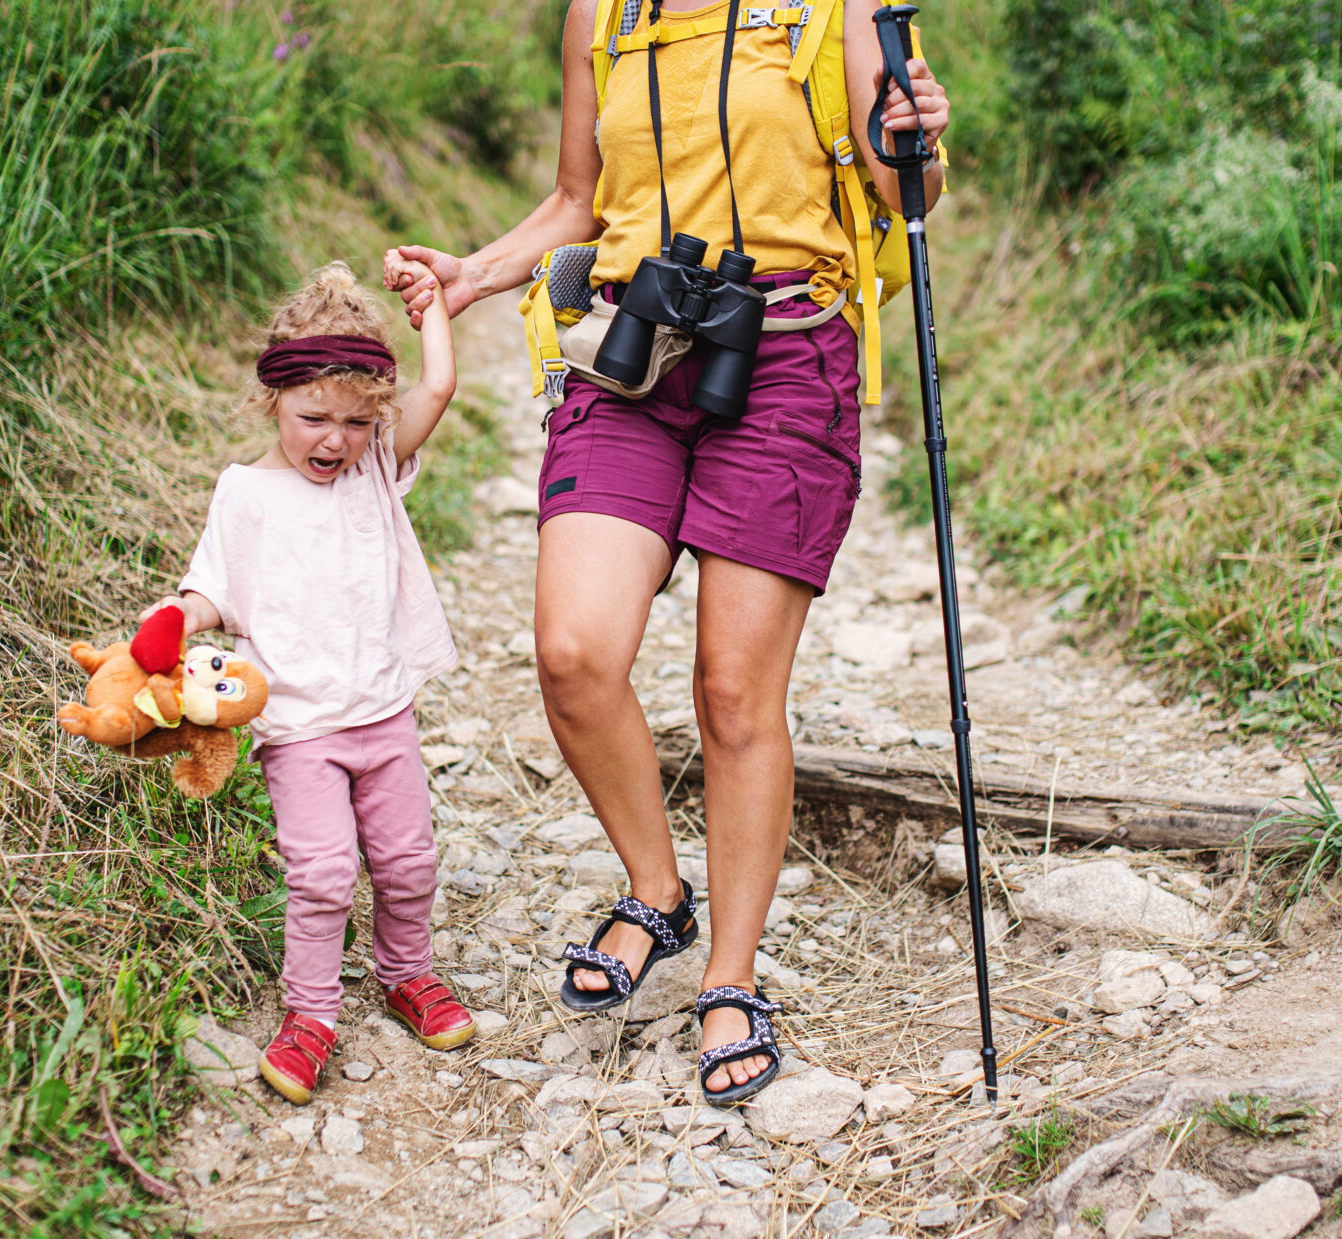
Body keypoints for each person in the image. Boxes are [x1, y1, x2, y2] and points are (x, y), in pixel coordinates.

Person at [388, 0, 950, 1104]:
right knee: (572, 653)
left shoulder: (838, 12)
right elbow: (576, 203)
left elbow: (910, 193)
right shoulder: (602, 14)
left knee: (734, 693)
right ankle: (657, 890)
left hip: (788, 357)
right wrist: (474, 272)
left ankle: (730, 980)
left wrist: (914, 134)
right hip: (632, 353)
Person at [141, 259, 472, 1106]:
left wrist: (432, 307)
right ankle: (311, 1012)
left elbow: (439, 384)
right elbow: (213, 586)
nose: (335, 440)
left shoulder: (374, 471)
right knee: (322, 873)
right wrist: (179, 616)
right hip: (298, 729)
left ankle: (408, 974)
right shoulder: (245, 495)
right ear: (272, 402)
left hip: (383, 713)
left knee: (407, 861)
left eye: (358, 422)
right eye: (313, 417)